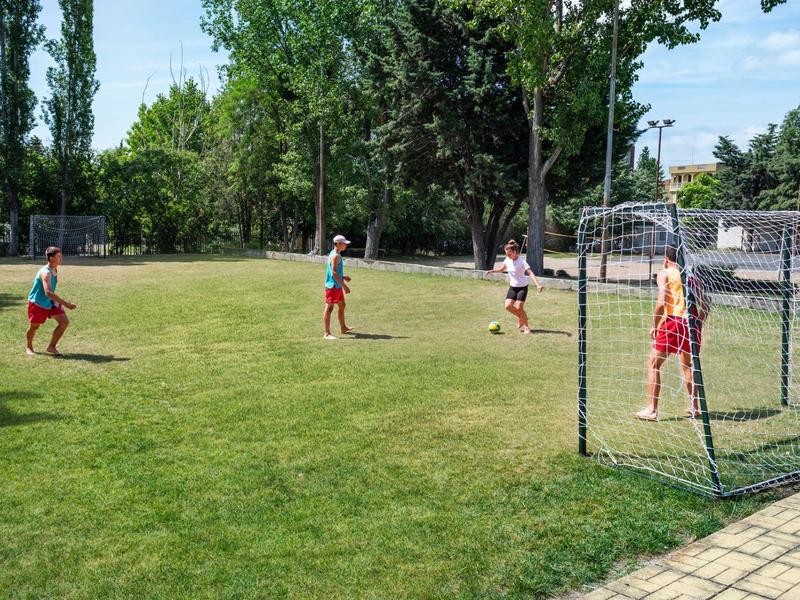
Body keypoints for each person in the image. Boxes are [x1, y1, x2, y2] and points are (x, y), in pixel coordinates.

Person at [636, 245, 708, 421]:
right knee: (688, 366)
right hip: (691, 324)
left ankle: (652, 410)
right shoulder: (691, 276)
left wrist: (654, 325)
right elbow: (705, 304)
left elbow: (661, 302)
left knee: (653, 364)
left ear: (666, 259)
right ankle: (694, 406)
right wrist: (697, 322)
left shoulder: (665, 273)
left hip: (674, 322)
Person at [26, 246, 76, 356]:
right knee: (34, 326)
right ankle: (29, 347)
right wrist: (66, 304)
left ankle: (51, 347)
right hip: (38, 303)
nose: (61, 258)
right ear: (51, 258)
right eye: (58, 256)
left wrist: (56, 302)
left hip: (51, 302)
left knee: (64, 322)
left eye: (60, 256)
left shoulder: (55, 269)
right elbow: (48, 292)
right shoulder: (46, 272)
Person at [486, 239, 543, 334]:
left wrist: (538, 285)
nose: (507, 256)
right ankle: (521, 317)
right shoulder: (507, 260)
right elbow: (501, 269)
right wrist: (492, 271)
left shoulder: (522, 262)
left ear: (515, 252)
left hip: (522, 288)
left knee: (519, 308)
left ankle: (526, 327)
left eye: (509, 254)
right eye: (506, 254)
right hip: (513, 287)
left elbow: (530, 273)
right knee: (508, 306)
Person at [323, 235, 354, 340]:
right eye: (344, 243)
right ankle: (327, 334)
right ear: (339, 244)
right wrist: (345, 286)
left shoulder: (335, 254)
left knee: (342, 305)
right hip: (332, 286)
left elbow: (335, 272)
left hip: (336, 285)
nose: (346, 245)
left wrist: (343, 277)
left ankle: (343, 328)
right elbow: (334, 273)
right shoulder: (335, 255)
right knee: (329, 308)